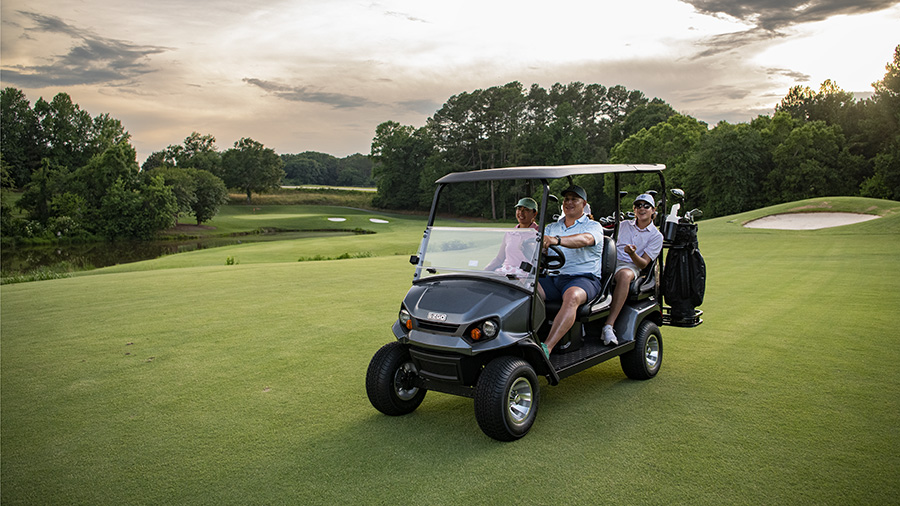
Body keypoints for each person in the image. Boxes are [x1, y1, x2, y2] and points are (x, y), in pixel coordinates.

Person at [538, 186, 605, 357]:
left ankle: (547, 347)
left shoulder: (593, 226)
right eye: (566, 199)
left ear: (584, 203)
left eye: (574, 199)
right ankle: (523, 337)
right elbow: (541, 249)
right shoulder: (552, 227)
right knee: (526, 289)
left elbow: (586, 239)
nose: (569, 202)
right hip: (554, 278)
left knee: (572, 296)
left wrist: (556, 241)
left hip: (584, 279)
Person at [602, 193, 664, 345]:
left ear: (653, 210)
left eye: (646, 206)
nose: (642, 209)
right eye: (638, 206)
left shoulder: (656, 236)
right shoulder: (623, 225)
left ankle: (608, 326)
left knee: (624, 276)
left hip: (632, 265)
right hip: (611, 260)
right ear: (634, 209)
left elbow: (643, 263)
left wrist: (632, 253)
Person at [484, 198, 540, 277]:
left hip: (526, 276)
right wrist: (483, 271)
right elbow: (499, 259)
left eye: (526, 210)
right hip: (506, 272)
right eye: (519, 209)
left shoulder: (539, 233)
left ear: (534, 214)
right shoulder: (510, 233)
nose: (521, 213)